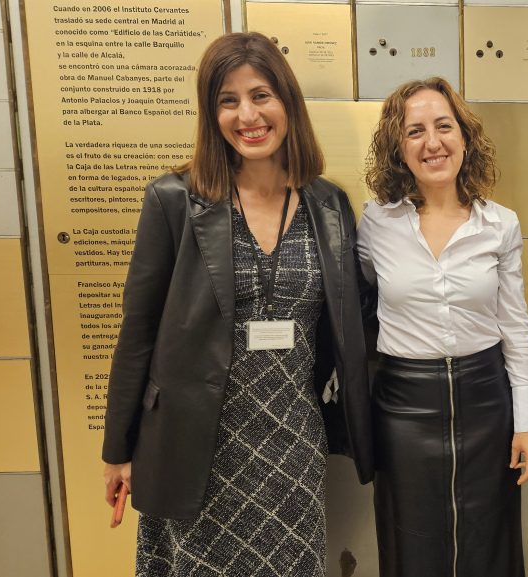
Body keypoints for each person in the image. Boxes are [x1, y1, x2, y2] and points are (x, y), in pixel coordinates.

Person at [101, 32, 373, 576]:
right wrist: (118, 449)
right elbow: (138, 333)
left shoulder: (328, 204)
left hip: (292, 445)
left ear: (287, 102)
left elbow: (347, 324)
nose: (247, 115)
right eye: (228, 100)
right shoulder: (173, 200)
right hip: (194, 445)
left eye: (260, 95)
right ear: (212, 114)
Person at [358, 77, 528, 577]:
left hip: (486, 401)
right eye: (414, 131)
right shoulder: (376, 222)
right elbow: (364, 292)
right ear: (398, 147)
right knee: (411, 542)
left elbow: (516, 325)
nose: (432, 143)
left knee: (488, 539)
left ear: (464, 136)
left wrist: (527, 422)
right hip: (404, 406)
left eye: (444, 126)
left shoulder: (500, 224)